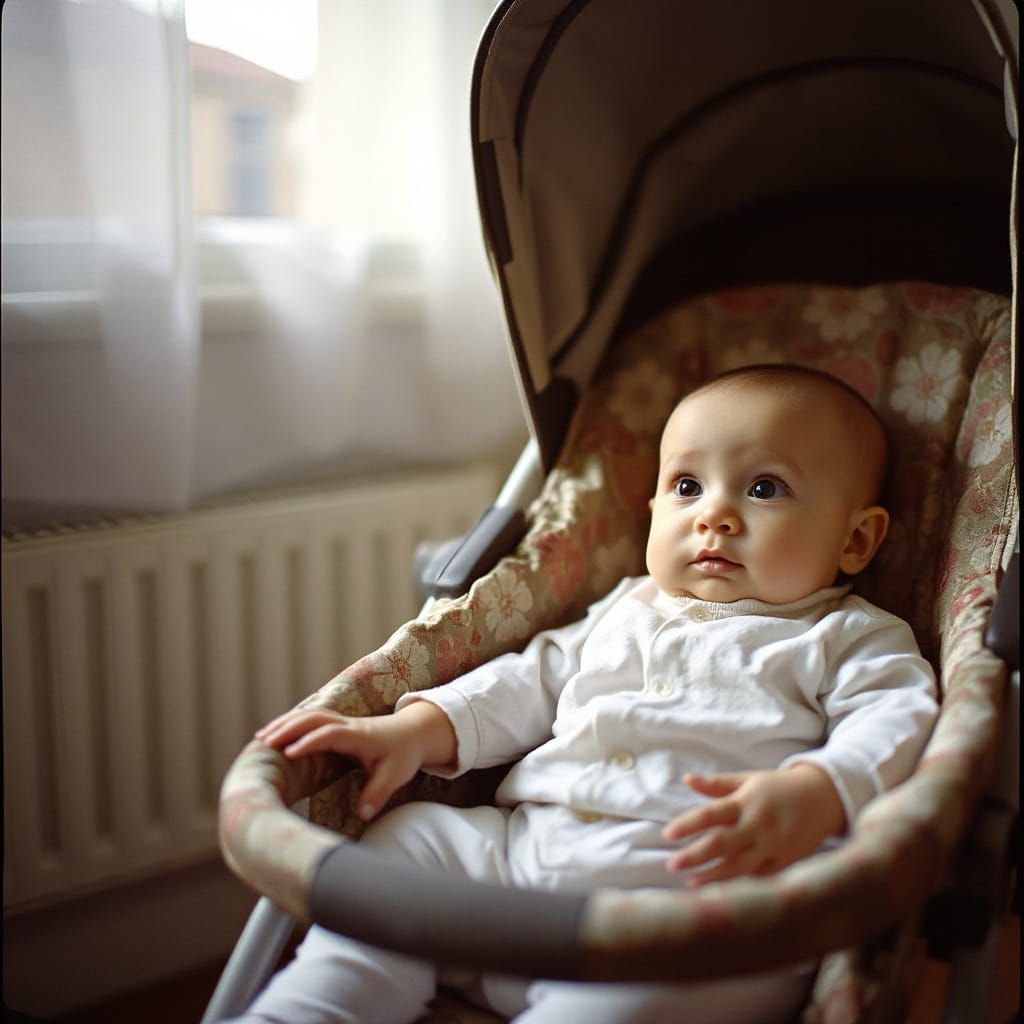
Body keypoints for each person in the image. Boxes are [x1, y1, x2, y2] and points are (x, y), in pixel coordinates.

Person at [232, 364, 939, 1024]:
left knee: (709, 975)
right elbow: (532, 680)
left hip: (692, 912)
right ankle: (318, 1005)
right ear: (655, 504)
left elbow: (898, 719)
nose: (714, 516)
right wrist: (416, 728)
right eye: (687, 486)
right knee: (408, 843)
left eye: (764, 489)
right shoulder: (626, 605)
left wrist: (819, 791)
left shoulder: (848, 636)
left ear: (856, 539)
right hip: (524, 863)